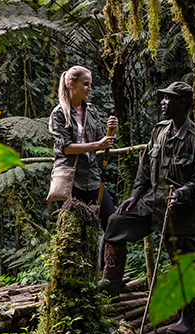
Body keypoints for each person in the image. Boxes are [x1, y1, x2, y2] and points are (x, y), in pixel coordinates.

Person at [100, 81, 195, 334]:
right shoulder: (159, 131)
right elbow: (144, 168)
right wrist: (135, 195)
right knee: (116, 223)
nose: (162, 102)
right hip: (153, 202)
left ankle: (189, 321)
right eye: (162, 98)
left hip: (182, 212)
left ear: (182, 103)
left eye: (168, 98)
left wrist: (182, 193)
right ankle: (110, 292)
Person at [49, 66, 118, 233]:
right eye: (85, 84)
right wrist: (98, 145)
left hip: (92, 177)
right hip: (69, 181)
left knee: (113, 225)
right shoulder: (59, 114)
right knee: (74, 234)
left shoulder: (91, 111)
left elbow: (102, 140)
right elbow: (66, 148)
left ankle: (104, 253)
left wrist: (112, 131)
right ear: (71, 84)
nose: (90, 88)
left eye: (90, 84)